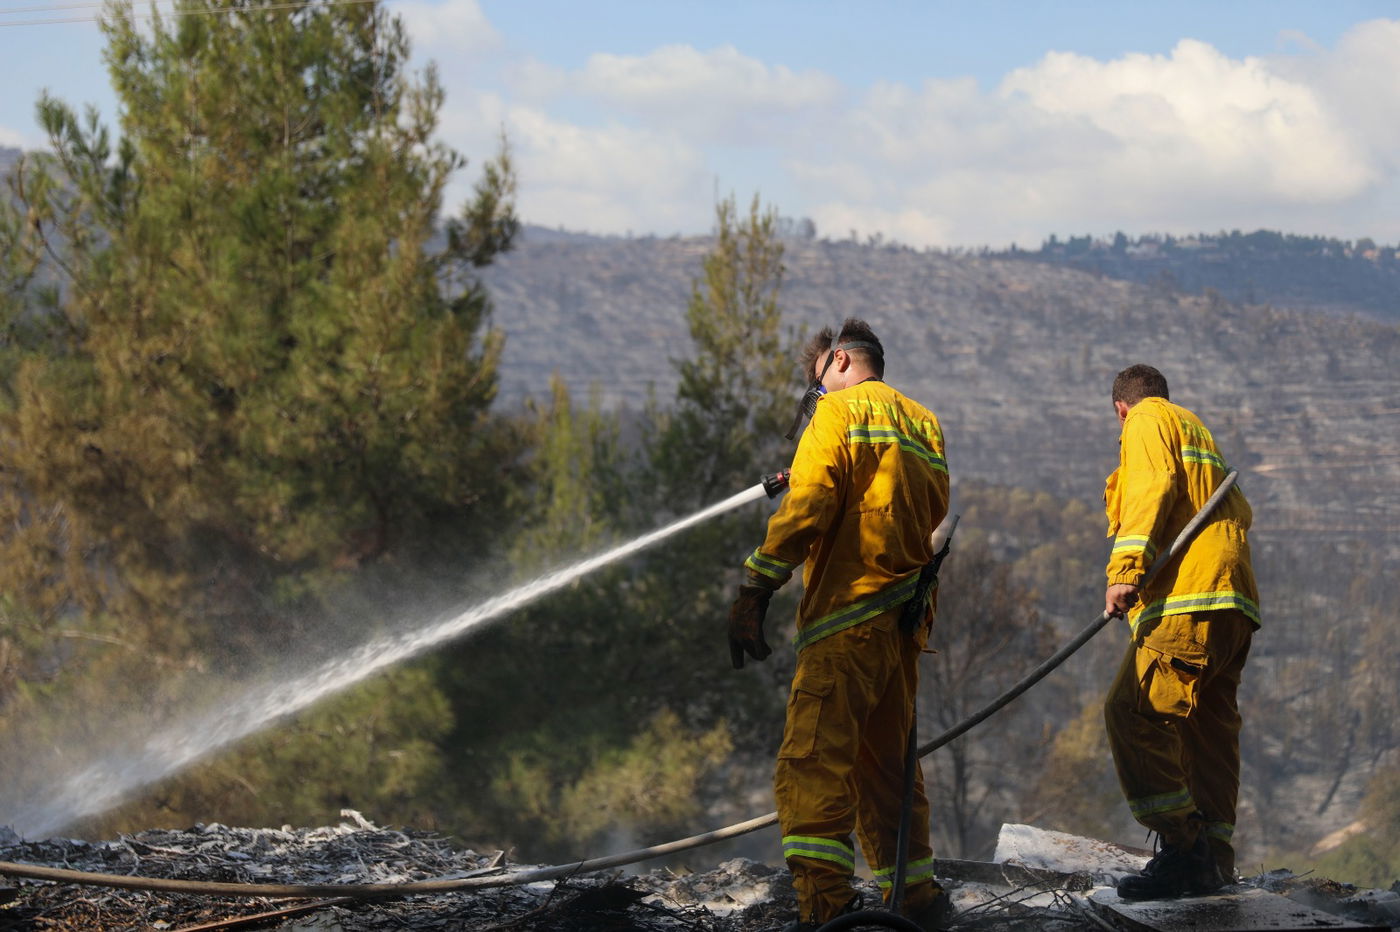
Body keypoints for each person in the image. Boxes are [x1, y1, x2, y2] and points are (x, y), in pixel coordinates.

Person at [727, 319, 951, 931]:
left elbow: (810, 504)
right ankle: (917, 900)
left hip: (845, 621)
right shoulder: (924, 422)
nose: (817, 394)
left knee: (812, 761)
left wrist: (757, 583)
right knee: (889, 772)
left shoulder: (840, 412)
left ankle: (827, 909)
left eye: (819, 378)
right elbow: (931, 516)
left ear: (844, 362)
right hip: (901, 630)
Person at [1101, 364, 1260, 900]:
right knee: (1207, 733)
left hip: (1189, 600)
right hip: (1233, 602)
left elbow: (1150, 487)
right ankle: (1214, 859)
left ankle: (1185, 850)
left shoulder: (1147, 420)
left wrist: (1125, 570)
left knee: (1130, 713)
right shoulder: (1196, 431)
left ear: (1122, 409)